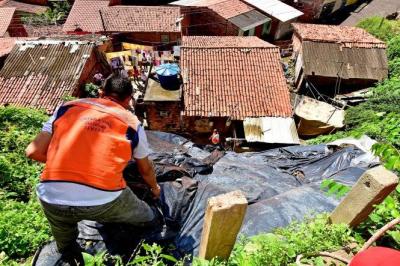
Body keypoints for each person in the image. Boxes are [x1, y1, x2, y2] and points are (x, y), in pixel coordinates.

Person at [25, 76, 161, 264]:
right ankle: (155, 229)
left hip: (51, 197)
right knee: (147, 216)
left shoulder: (66, 108)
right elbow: (145, 168)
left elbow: (32, 151)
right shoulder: (132, 123)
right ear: (128, 99)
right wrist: (154, 188)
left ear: (100, 93)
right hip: (104, 199)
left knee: (64, 239)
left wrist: (69, 163)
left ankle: (68, 254)